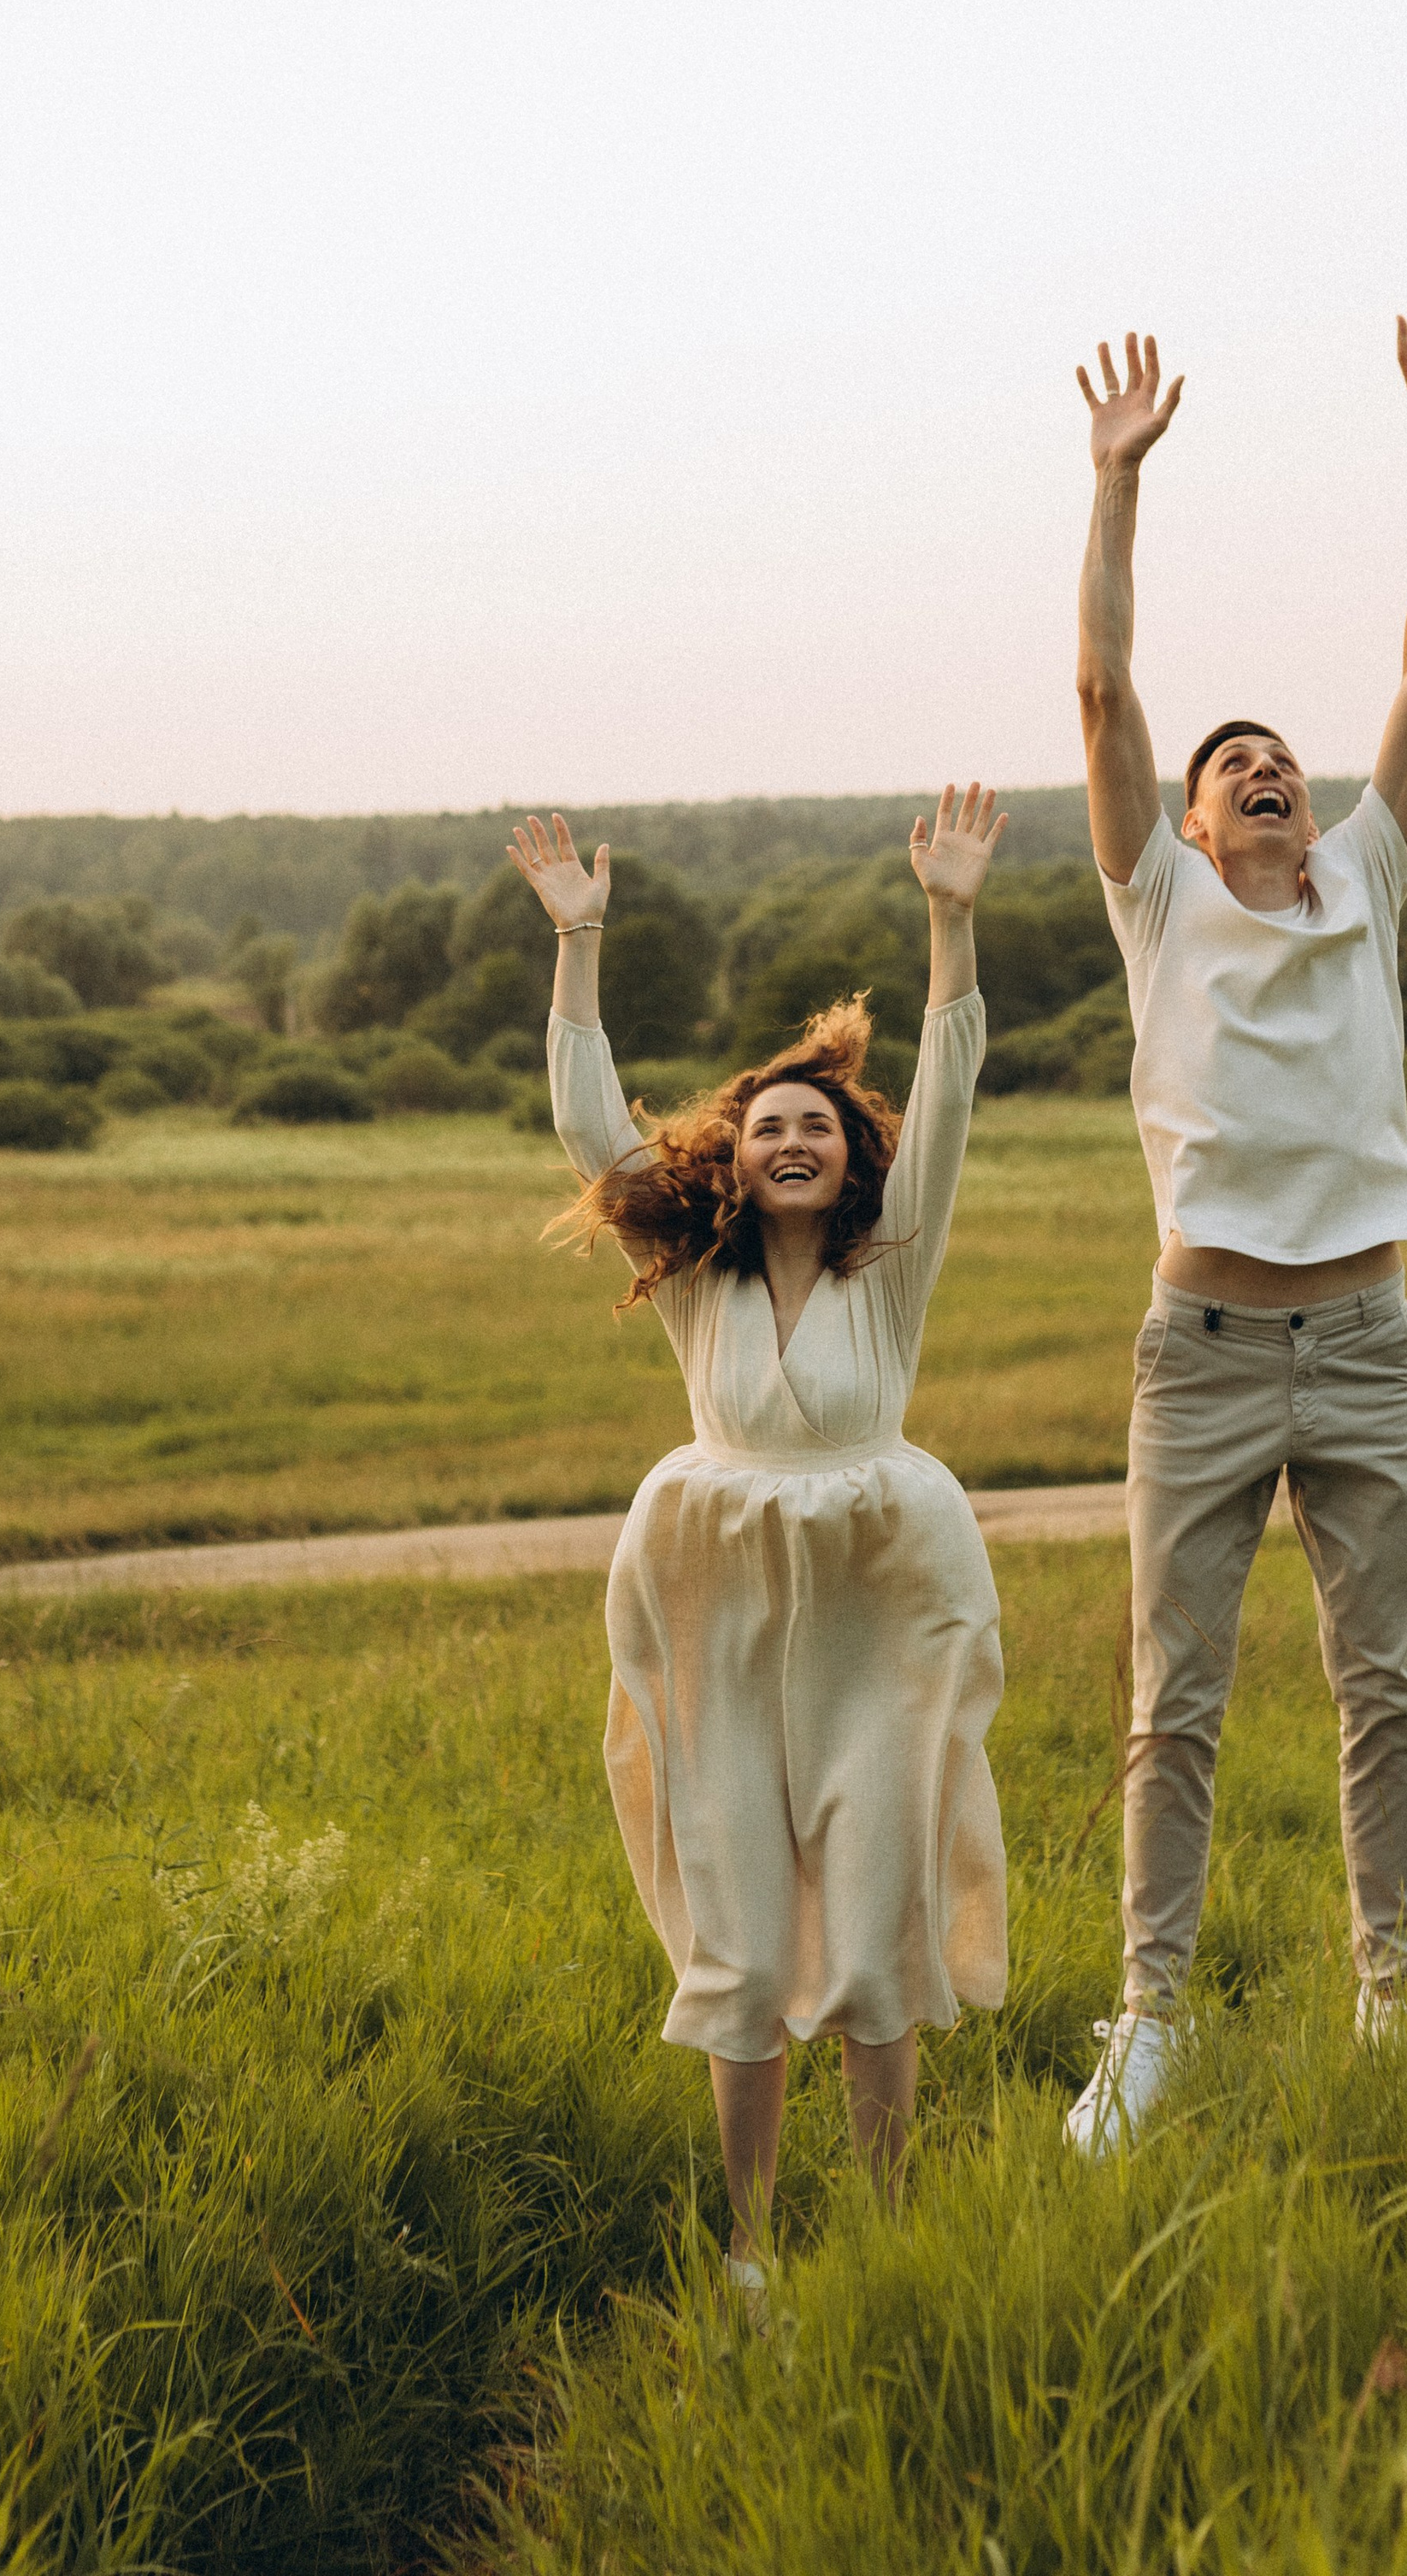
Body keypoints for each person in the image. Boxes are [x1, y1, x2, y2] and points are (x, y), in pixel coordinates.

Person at [508, 784, 1010, 2290]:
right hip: (718, 1607)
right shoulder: (696, 1287)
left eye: (818, 1128)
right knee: (736, 1931)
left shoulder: (890, 1271)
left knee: (872, 1927)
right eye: (768, 1128)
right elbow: (587, 1124)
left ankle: (886, 2240)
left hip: (876, 1615)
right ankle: (746, 2249)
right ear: (731, 1163)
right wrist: (578, 946)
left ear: (857, 1160)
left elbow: (954, 1090)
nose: (793, 1140)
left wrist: (952, 918)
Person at [1063, 321, 1407, 2155]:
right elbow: (1099, 688)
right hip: (1206, 1358)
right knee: (1176, 1702)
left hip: (1368, 1346)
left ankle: (1399, 2002)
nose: (1263, 767)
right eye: (1231, 761)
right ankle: (1148, 2022)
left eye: (1281, 758)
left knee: (1382, 1689)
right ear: (1186, 817)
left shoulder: (1367, 875)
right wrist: (1114, 482)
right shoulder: (1160, 904)